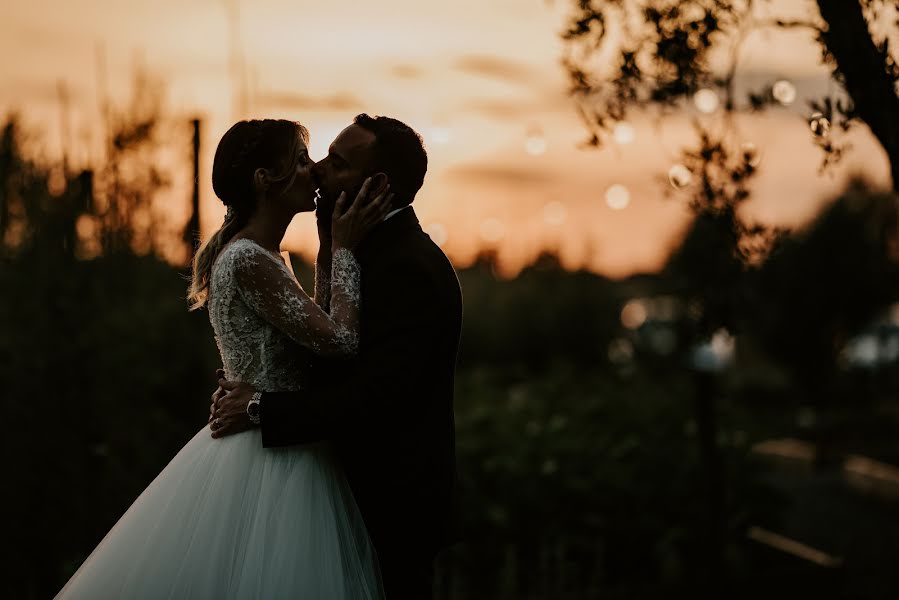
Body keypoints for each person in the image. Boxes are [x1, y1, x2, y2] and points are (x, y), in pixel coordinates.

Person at [56, 118, 391, 599]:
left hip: (286, 436)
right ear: (264, 179)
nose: (312, 169)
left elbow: (314, 331)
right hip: (271, 458)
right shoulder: (248, 259)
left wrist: (328, 246)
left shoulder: (269, 255)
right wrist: (347, 250)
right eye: (300, 159)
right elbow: (339, 338)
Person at [212, 114, 464, 600]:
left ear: (378, 183)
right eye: (314, 159)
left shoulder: (409, 267)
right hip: (318, 484)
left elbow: (375, 396)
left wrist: (260, 405)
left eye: (336, 163)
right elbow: (323, 348)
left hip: (390, 504)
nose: (320, 171)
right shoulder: (356, 248)